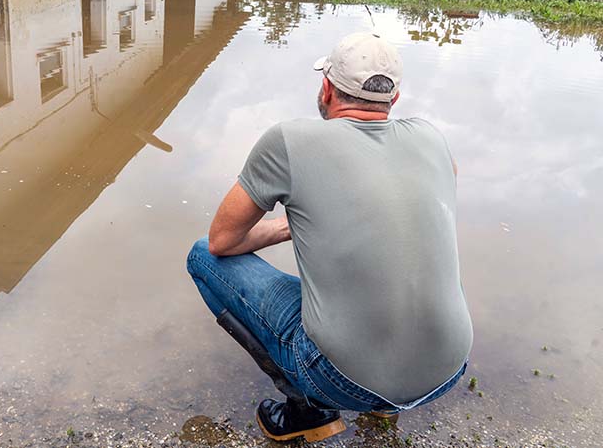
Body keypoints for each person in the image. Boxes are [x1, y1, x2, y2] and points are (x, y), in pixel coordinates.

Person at [186, 33, 473, 442]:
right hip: (448, 370)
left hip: (341, 378)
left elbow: (223, 241)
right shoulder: (432, 139)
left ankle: (307, 410)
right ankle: (387, 404)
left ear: (326, 88)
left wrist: (286, 227)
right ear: (393, 98)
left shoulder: (288, 141)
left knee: (202, 257)